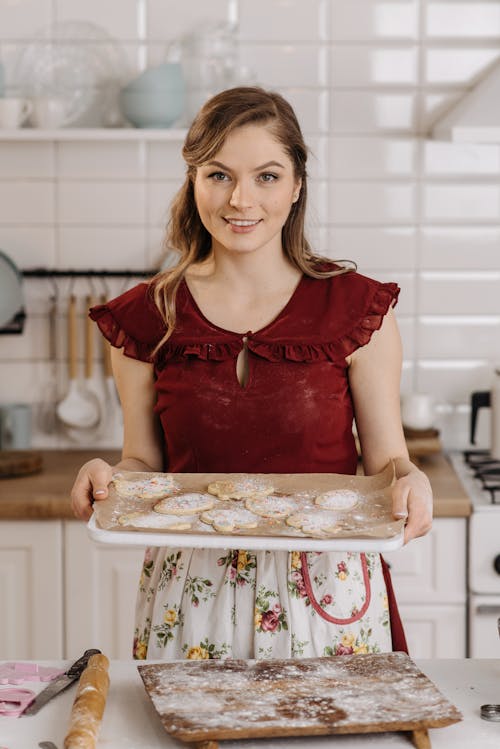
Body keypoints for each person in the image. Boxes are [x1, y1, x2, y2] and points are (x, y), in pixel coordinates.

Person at [70, 86, 433, 661]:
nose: (240, 199)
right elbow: (145, 466)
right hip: (192, 596)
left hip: (327, 591)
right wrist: (108, 477)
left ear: (296, 186)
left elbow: (387, 463)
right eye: (218, 174)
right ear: (193, 181)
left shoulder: (359, 310)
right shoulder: (147, 317)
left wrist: (410, 480)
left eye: (266, 176)